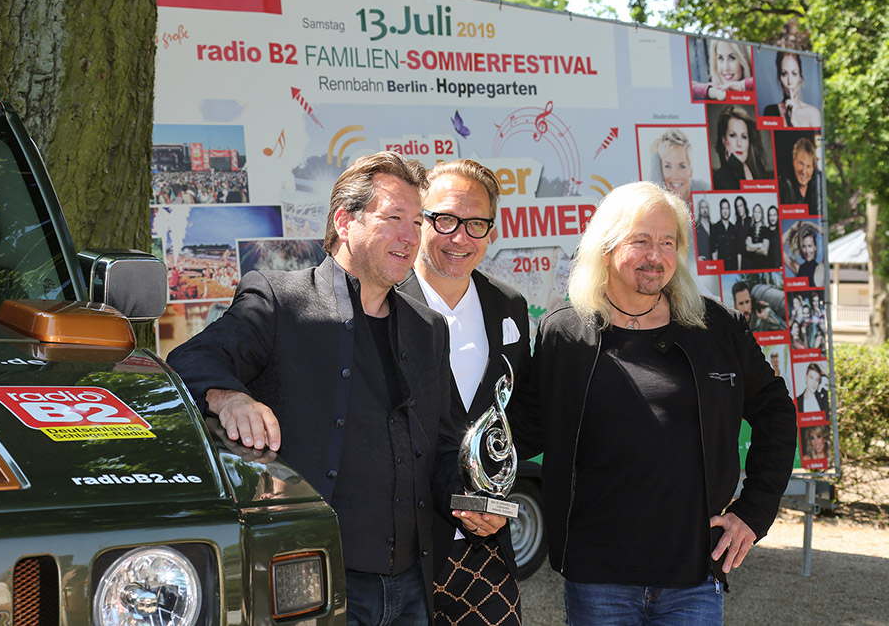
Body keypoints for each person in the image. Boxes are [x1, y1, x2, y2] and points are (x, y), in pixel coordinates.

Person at [166, 151, 505, 624]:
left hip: (411, 586)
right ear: (345, 221)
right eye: (393, 219)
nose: (410, 237)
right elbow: (191, 357)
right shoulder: (280, 299)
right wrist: (230, 397)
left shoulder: (428, 328)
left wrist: (469, 501)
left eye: (415, 221)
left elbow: (442, 443)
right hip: (314, 582)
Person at [509, 181, 796, 624]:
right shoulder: (565, 333)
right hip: (597, 575)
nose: (656, 255)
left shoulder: (717, 329)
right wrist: (458, 454)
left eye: (667, 242)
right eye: (640, 240)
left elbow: (776, 411)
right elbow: (525, 425)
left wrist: (753, 512)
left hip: (694, 577)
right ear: (605, 248)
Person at [398, 159, 529, 625]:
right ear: (420, 219)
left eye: (476, 224)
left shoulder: (507, 305)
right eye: (445, 219)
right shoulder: (383, 302)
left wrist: (497, 499)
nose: (460, 237)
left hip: (482, 544)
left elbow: (514, 417)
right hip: (399, 547)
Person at [712, 106, 769, 190]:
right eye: (733, 135)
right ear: (724, 140)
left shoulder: (760, 173)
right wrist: (736, 165)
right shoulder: (719, 179)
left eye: (744, 137)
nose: (739, 144)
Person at [648, 128, 710, 204]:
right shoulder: (661, 194)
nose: (675, 176)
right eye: (668, 166)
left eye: (682, 166)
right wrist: (655, 157)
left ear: (691, 170)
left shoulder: (704, 189)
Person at [763, 52, 821, 127]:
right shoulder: (770, 111)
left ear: (800, 77)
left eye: (794, 73)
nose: (789, 81)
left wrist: (794, 122)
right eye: (784, 74)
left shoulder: (813, 113)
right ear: (779, 78)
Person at [779, 138, 821, 215]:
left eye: (808, 166)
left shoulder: (817, 191)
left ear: (813, 169)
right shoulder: (783, 188)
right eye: (801, 163)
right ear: (794, 161)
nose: (804, 171)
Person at [783, 220, 824, 287]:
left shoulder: (820, 268)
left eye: (810, 246)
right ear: (801, 249)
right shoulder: (798, 268)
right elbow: (777, 248)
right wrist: (791, 229)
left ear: (815, 247)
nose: (807, 251)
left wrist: (812, 225)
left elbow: (826, 235)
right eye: (804, 246)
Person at [710, 197, 737, 270]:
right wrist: (716, 269)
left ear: (730, 210)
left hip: (733, 267)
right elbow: (713, 251)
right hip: (721, 268)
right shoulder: (715, 228)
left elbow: (738, 251)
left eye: (727, 208)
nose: (725, 211)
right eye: (723, 208)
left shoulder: (734, 228)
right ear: (720, 210)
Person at [744, 204, 772, 269]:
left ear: (762, 214)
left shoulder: (766, 230)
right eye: (755, 212)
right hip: (751, 266)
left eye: (759, 212)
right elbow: (747, 248)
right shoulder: (750, 230)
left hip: (763, 266)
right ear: (753, 214)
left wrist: (752, 248)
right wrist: (759, 245)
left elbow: (765, 251)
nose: (757, 214)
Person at [731, 195, 752, 270]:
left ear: (744, 206)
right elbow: (738, 249)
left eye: (741, 205)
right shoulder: (737, 225)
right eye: (737, 207)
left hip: (752, 260)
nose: (739, 208)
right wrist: (739, 269)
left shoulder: (751, 221)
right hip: (742, 262)